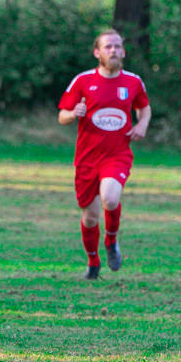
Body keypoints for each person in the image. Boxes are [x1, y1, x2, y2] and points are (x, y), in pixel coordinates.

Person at [58, 29, 151, 280]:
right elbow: (62, 115)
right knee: (89, 217)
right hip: (87, 158)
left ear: (124, 51)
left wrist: (142, 125)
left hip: (117, 154)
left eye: (118, 46)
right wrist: (72, 113)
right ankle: (93, 261)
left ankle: (111, 242)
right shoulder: (83, 81)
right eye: (108, 46)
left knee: (110, 199)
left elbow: (144, 107)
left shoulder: (133, 82)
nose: (114, 51)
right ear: (97, 52)